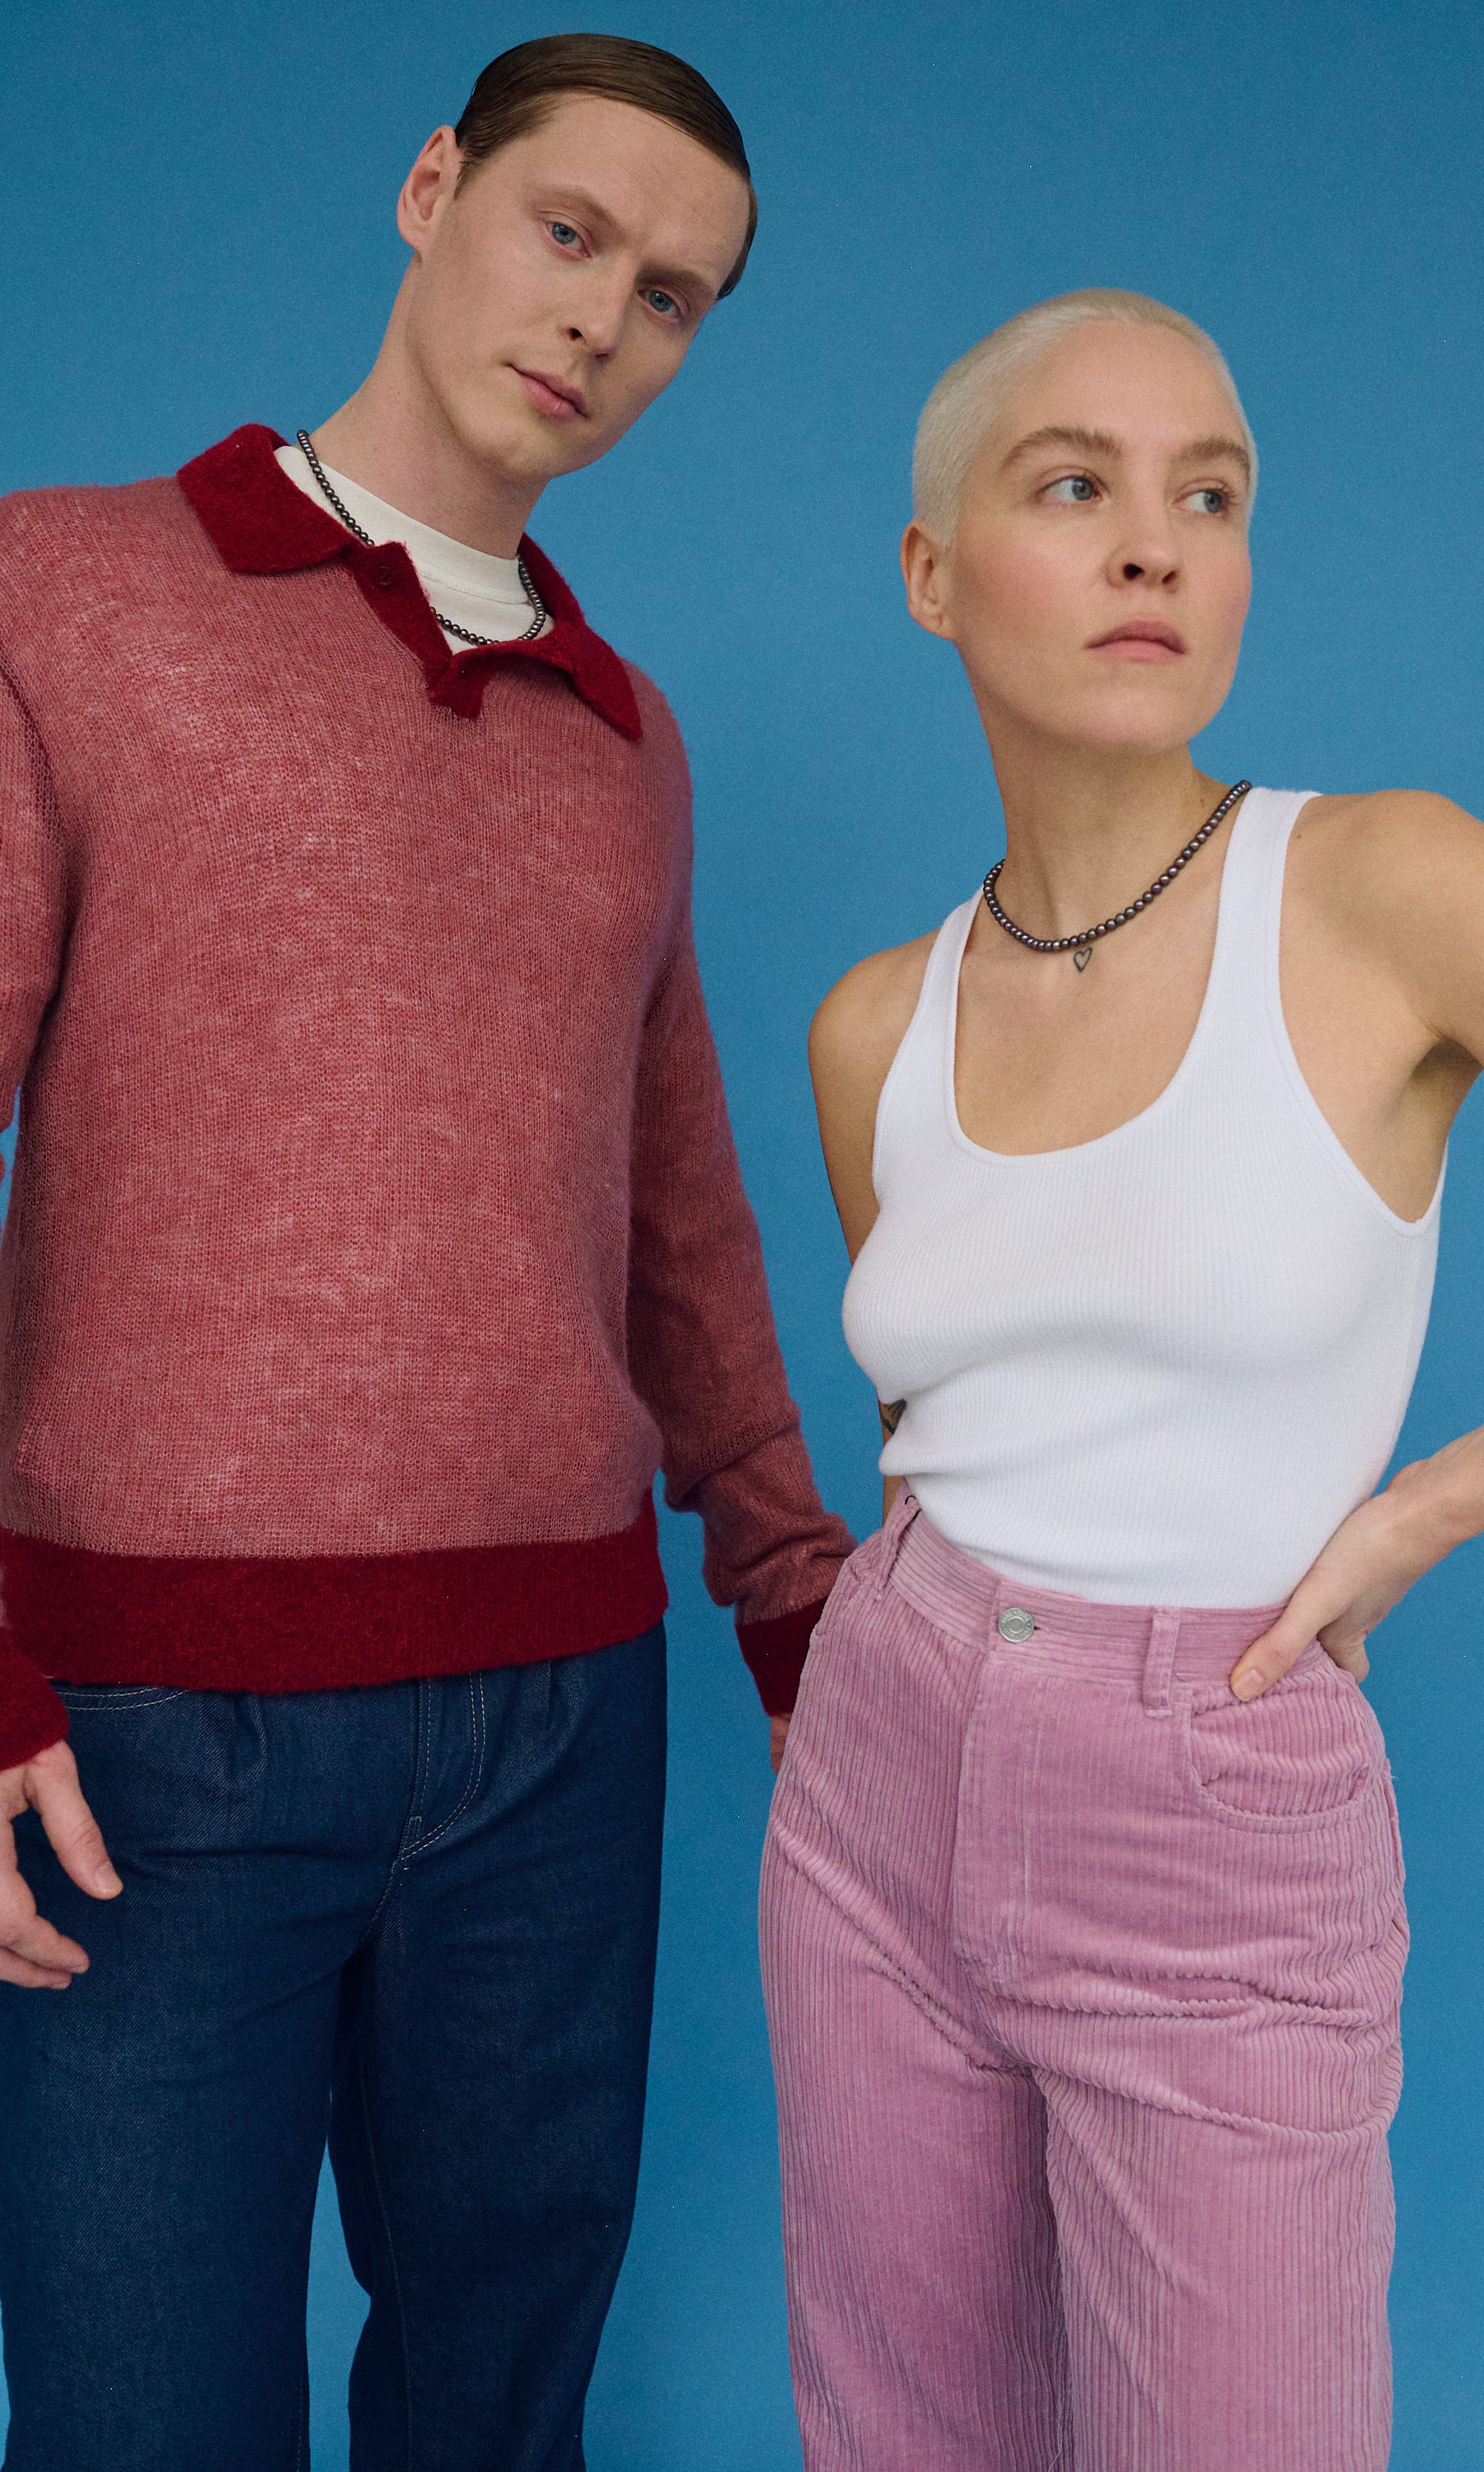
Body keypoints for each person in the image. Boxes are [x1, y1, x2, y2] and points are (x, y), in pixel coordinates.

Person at [0, 34, 850, 2471]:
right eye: (568, 233)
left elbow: (674, 1212)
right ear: (428, 188)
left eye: (672, 297)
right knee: (147, 2424)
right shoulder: (63, 590)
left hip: (564, 1727)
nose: (602, 323)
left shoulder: (623, 734)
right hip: (149, 1733)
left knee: (497, 2410)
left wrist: (789, 1595)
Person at [761, 288, 1484, 2470]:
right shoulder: (872, 1028)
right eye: (1074, 484)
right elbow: (933, 1437)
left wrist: (1436, 1500)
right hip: (875, 1771)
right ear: (932, 571)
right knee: (903, 2441)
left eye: (1209, 495)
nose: (1156, 542)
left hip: (1210, 1792)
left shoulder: (1375, 887)